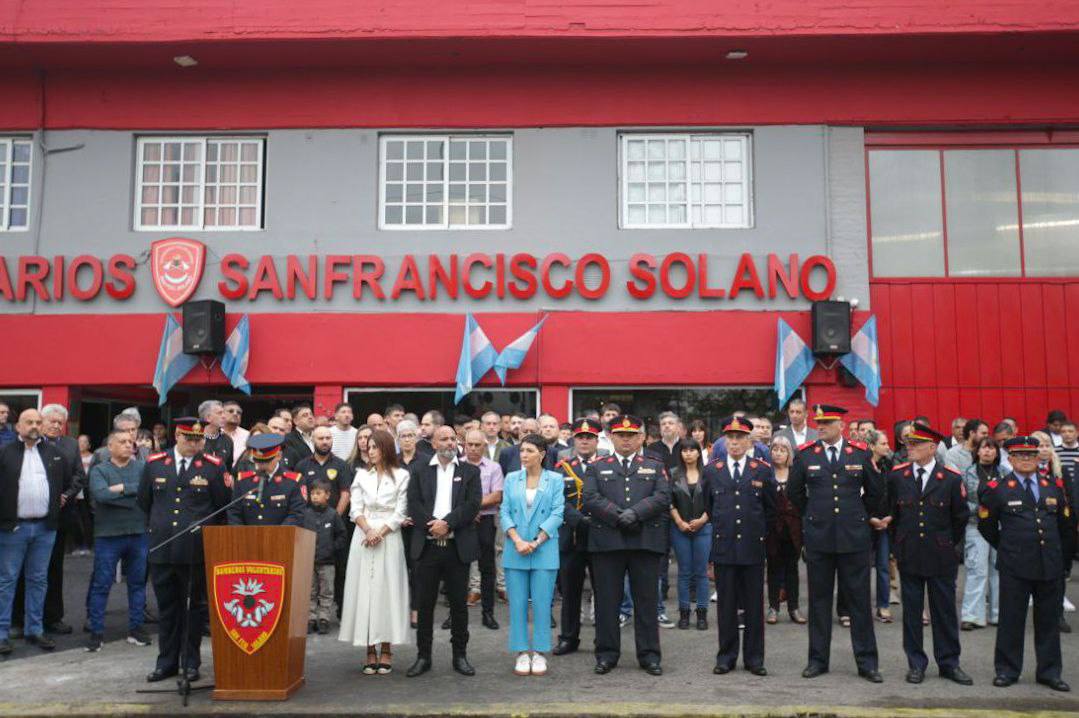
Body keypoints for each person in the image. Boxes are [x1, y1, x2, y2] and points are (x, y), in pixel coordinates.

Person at [788, 404, 884, 682]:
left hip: (853, 538)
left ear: (841, 425)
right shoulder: (806, 455)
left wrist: (858, 514)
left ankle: (867, 663)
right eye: (819, 422)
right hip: (819, 539)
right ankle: (818, 660)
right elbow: (795, 493)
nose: (821, 426)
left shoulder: (860, 452)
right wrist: (814, 514)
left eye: (827, 422)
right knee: (818, 602)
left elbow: (876, 492)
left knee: (859, 603)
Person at [137, 417, 229, 683]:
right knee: (167, 609)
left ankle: (190, 662)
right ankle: (166, 662)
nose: (194, 444)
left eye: (199, 440)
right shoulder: (155, 464)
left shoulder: (212, 466)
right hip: (163, 548)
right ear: (177, 435)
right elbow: (144, 501)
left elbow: (221, 505)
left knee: (193, 609)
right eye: (189, 439)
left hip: (194, 550)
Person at [879, 422, 972, 685]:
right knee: (912, 613)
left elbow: (960, 518)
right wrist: (899, 546)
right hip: (910, 554)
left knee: (944, 612)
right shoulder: (898, 476)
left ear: (932, 447)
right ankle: (916, 663)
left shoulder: (951, 478)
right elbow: (894, 515)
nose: (910, 448)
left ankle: (949, 663)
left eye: (917, 444)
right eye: (908, 444)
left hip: (941, 556)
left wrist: (948, 546)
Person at [978, 436, 1072, 692]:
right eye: (1020, 456)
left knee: (1048, 622)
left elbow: (1065, 528)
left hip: (1049, 565)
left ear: (1038, 458)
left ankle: (1049, 672)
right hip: (1015, 566)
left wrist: (1062, 561)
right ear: (1010, 459)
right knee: (1011, 620)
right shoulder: (998, 488)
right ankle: (1007, 670)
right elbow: (987, 526)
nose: (1026, 460)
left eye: (1031, 455)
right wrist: (1008, 547)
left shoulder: (1052, 486)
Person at [583, 414, 671, 676]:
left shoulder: (654, 465)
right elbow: (589, 498)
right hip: (608, 542)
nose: (626, 439)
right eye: (620, 435)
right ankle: (607, 654)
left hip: (644, 541)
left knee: (646, 602)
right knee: (607, 603)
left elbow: (663, 496)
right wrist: (618, 515)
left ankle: (649, 655)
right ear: (611, 437)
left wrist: (636, 513)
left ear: (641, 438)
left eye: (631, 435)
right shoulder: (597, 466)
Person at [405, 425, 482, 678]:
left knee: (459, 605)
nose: (450, 443)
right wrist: (432, 525)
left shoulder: (470, 472)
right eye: (444, 439)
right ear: (434, 444)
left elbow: (472, 506)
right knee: (425, 606)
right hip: (427, 547)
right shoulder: (417, 470)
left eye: (453, 439)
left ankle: (460, 655)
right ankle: (423, 656)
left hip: (456, 547)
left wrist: (446, 523)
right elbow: (413, 503)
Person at [704, 416, 776, 676]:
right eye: (730, 438)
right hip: (724, 548)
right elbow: (709, 507)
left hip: (752, 547)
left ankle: (755, 659)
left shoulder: (762, 469)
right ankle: (726, 657)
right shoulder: (713, 470)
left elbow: (770, 509)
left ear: (749, 441)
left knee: (754, 606)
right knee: (726, 606)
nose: (734, 443)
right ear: (724, 440)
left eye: (740, 438)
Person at [339, 429, 411, 673]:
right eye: (367, 447)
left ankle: (387, 649)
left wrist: (380, 532)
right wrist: (368, 531)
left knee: (387, 591)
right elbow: (355, 510)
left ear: (385, 448)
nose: (369, 451)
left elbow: (401, 512)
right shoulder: (360, 476)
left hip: (389, 538)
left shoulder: (402, 476)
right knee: (365, 591)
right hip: (363, 537)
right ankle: (369, 649)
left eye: (374, 447)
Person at [11, 403, 85, 638]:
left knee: (52, 570)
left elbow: (78, 476)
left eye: (59, 422)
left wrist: (65, 496)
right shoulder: (29, 446)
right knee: (21, 571)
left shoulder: (70, 445)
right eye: (50, 421)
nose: (54, 425)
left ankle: (53, 617)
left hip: (58, 518)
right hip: (25, 519)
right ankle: (18, 620)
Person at [0, 409, 67, 655]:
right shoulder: (5, 453)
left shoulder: (54, 454)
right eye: (29, 422)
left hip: (44, 528)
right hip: (13, 528)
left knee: (38, 580)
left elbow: (65, 484)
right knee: (6, 581)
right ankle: (2, 633)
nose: (35, 426)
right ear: (18, 426)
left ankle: (34, 630)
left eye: (38, 422)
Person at [500, 433, 565, 676]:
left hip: (544, 548)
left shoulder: (555, 480)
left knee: (541, 603)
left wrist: (536, 541)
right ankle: (520, 652)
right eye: (522, 451)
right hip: (515, 548)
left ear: (542, 453)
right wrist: (517, 540)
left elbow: (558, 513)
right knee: (516, 604)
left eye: (529, 450)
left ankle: (538, 652)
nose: (524, 455)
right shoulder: (511, 478)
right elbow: (504, 511)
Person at [85, 429, 152, 651]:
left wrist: (123, 488)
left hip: (138, 533)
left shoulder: (143, 468)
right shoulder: (100, 470)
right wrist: (132, 495)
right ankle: (96, 632)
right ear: (110, 447)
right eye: (122, 442)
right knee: (101, 584)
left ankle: (136, 629)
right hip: (108, 535)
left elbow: (147, 493)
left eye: (131, 442)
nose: (128, 445)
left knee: (137, 583)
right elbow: (101, 495)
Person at [553, 418, 602, 655]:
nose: (584, 441)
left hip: (601, 536)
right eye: (581, 437)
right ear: (573, 439)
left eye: (589, 437)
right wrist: (577, 519)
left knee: (604, 592)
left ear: (597, 440)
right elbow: (556, 499)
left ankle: (603, 640)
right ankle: (568, 638)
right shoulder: (562, 467)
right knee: (570, 592)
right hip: (571, 537)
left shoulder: (606, 465)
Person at [462, 429, 504, 630]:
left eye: (477, 444)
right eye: (470, 444)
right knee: (458, 568)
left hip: (485, 521)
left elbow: (496, 496)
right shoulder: (456, 465)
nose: (473, 448)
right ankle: (455, 614)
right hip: (461, 521)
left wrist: (472, 507)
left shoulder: (494, 467)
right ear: (464, 444)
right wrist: (468, 511)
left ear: (484, 446)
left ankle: (488, 613)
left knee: (487, 568)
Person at [961, 437, 1003, 631]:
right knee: (976, 570)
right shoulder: (967, 474)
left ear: (996, 452)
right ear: (977, 452)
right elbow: (960, 501)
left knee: (999, 570)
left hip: (1001, 527)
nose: (987, 452)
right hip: (975, 525)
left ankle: (998, 614)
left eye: (991, 448)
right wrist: (977, 508)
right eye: (984, 448)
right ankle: (972, 615)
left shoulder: (1005, 473)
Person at [668, 438, 711, 630]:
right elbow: (669, 502)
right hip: (680, 528)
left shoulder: (709, 474)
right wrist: (679, 521)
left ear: (699, 452)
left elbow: (715, 500)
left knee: (701, 573)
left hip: (704, 527)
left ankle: (702, 614)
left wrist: (703, 519)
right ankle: (684, 613)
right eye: (684, 450)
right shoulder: (673, 474)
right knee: (684, 573)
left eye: (692, 450)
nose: (688, 453)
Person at [766, 436, 805, 624]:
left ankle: (794, 608)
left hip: (793, 529)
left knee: (792, 568)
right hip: (772, 529)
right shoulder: (765, 473)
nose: (778, 453)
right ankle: (773, 608)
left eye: (782, 450)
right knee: (773, 568)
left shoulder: (796, 473)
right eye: (775, 449)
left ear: (789, 453)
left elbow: (802, 501)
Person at [228, 434, 305, 526]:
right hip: (248, 537)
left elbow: (297, 514)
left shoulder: (293, 481)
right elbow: (234, 512)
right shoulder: (244, 481)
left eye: (266, 461)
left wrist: (275, 534)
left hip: (281, 537)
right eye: (259, 461)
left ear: (279, 456)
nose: (262, 465)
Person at [302, 478, 346, 635]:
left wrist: (332, 548)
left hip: (327, 562)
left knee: (326, 591)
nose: (314, 496)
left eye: (318, 493)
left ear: (327, 495)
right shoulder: (305, 514)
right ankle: (310, 618)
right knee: (310, 591)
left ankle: (324, 619)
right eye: (312, 493)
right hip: (308, 561)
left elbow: (342, 535)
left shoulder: (333, 515)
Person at [197, 400, 234, 475]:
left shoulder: (227, 440)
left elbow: (228, 469)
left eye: (223, 413)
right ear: (208, 418)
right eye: (219, 413)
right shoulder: (195, 438)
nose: (224, 416)